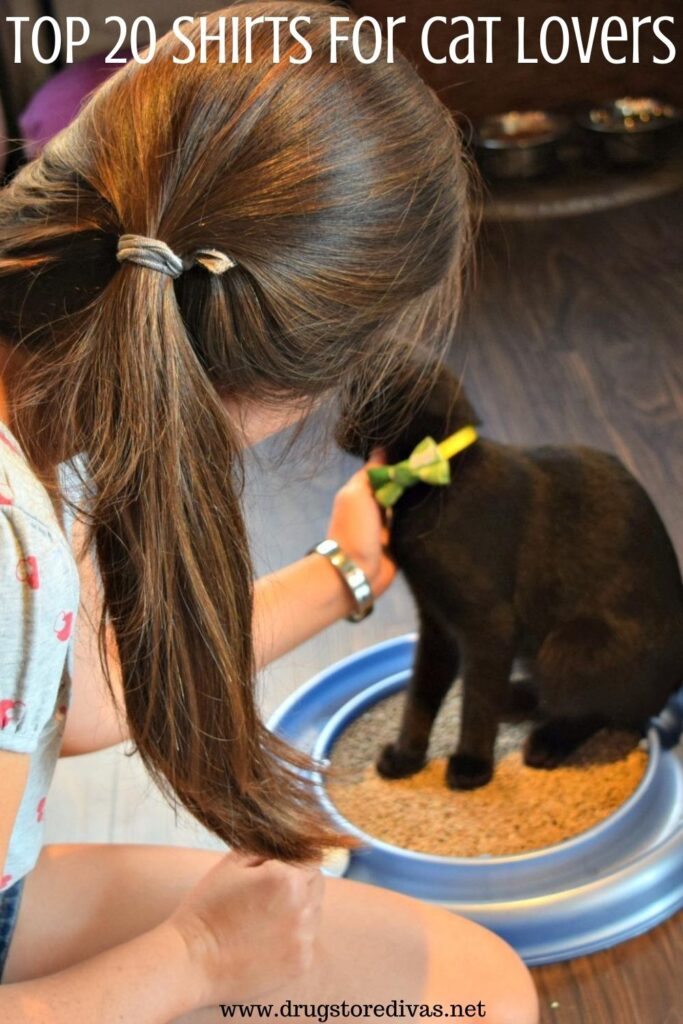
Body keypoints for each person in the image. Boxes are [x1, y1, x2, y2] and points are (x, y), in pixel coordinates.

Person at [0, 5, 539, 1021]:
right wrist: (200, 958)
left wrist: (341, 567)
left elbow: (74, 690)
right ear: (279, 377)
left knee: (469, 988)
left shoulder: (38, 367)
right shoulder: (7, 553)